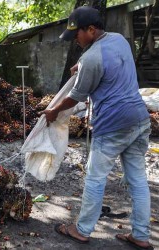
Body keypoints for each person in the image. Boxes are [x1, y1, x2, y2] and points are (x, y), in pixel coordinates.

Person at [40, 6, 153, 250]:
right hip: (140, 120)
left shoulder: (91, 58)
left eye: (77, 35)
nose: (75, 41)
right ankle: (141, 235)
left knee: (95, 178)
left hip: (113, 125)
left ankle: (81, 230)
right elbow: (108, 62)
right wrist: (81, 65)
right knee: (137, 179)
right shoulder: (120, 40)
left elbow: (75, 97)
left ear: (91, 29)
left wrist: (53, 111)